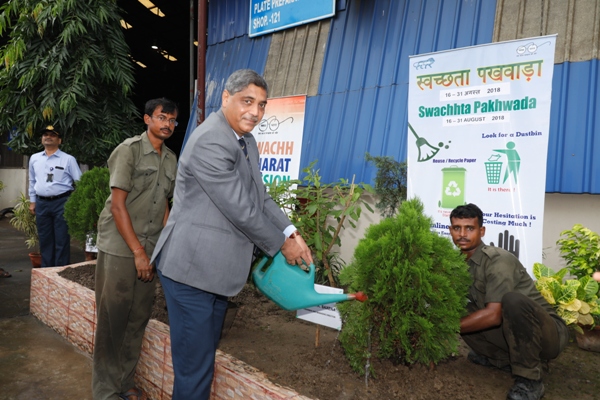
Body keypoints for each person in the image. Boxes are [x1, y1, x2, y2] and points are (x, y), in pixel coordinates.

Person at [151, 69, 313, 400]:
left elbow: (260, 197)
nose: (255, 112)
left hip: (214, 273)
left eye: (262, 105)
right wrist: (282, 245)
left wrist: (291, 232)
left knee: (201, 363)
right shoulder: (211, 139)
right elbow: (241, 208)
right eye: (247, 101)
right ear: (226, 98)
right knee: (194, 371)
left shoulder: (245, 140)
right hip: (191, 273)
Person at [92, 98, 179, 400]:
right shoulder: (128, 150)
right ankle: (105, 391)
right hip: (120, 246)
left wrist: (165, 246)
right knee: (112, 319)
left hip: (151, 247)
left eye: (172, 120)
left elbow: (165, 203)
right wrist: (138, 252)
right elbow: (118, 206)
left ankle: (123, 382)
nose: (167, 124)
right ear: (147, 119)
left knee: (137, 317)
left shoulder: (170, 159)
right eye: (161, 117)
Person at [449, 204, 569, 400]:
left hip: (549, 334)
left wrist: (446, 327)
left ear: (482, 231)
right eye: (457, 228)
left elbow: (494, 316)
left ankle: (530, 380)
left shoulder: (497, 260)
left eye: (469, 228)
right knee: (460, 308)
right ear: (450, 230)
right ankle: (501, 360)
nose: (462, 234)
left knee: (512, 301)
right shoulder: (457, 263)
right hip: (512, 331)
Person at [28, 126, 82, 268]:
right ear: (41, 139)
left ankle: (61, 270)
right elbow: (32, 181)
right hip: (41, 203)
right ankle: (47, 270)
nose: (48, 137)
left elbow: (80, 182)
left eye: (52, 135)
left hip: (62, 203)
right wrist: (32, 201)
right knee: (45, 239)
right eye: (45, 134)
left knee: (61, 239)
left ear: (59, 140)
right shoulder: (34, 158)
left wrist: (75, 204)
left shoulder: (68, 159)